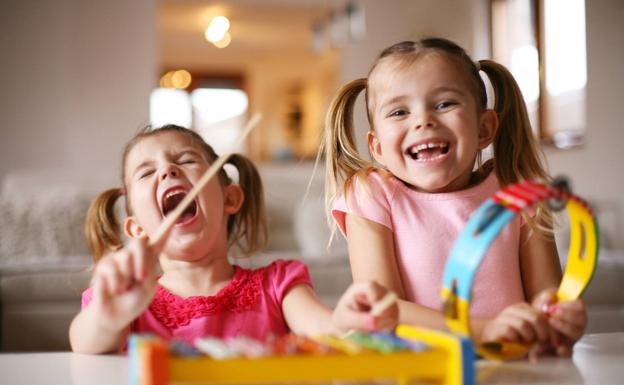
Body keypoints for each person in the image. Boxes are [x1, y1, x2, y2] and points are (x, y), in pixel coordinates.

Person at [322, 38, 586, 357]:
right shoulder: (370, 195)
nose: (423, 120)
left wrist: (558, 318)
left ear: (484, 128)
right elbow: (383, 311)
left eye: (445, 104)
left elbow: (547, 295)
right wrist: (482, 331)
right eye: (399, 111)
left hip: (514, 368)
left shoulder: (518, 190)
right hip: (421, 372)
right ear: (377, 148)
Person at [69, 124, 397, 354]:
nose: (168, 170)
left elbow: (325, 329)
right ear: (137, 229)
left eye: (185, 160)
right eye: (146, 172)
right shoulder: (123, 301)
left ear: (229, 199)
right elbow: (85, 342)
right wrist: (106, 316)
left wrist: (347, 320)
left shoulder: (279, 283)